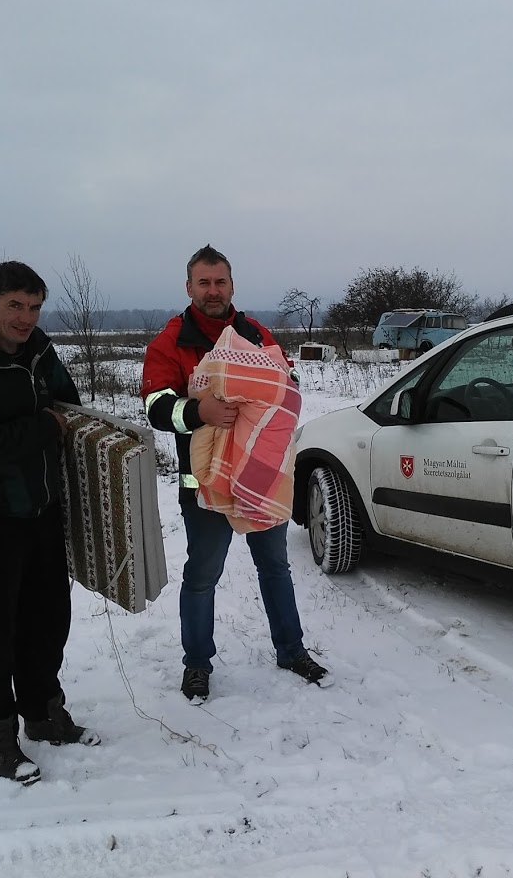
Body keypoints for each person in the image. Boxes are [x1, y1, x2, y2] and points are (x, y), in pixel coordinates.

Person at [142, 244, 331, 703]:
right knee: (203, 576)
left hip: (262, 478)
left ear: (232, 285)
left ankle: (291, 649)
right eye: (203, 282)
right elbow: (154, 406)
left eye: (220, 281)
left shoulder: (256, 333)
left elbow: (286, 385)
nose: (213, 291)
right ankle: (197, 665)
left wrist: (268, 396)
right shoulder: (171, 341)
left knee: (275, 567)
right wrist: (199, 409)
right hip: (206, 483)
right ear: (189, 288)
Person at [0, 261, 100, 787]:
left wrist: (58, 423)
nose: (25, 317)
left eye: (34, 307)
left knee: (47, 617)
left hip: (41, 508)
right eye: (15, 305)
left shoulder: (38, 349)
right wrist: (42, 425)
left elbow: (68, 402)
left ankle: (41, 712)